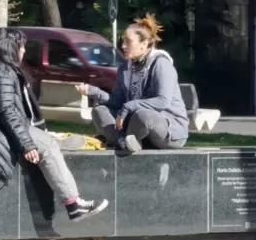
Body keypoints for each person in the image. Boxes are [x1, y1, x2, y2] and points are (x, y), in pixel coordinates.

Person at [0, 28, 109, 223]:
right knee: (48, 146)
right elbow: (6, 111)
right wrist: (26, 144)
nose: (24, 51)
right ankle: (74, 205)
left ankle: (58, 144)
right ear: (11, 47)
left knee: (48, 142)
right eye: (22, 46)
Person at [76, 14, 189, 152]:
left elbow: (163, 101)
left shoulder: (161, 65)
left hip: (168, 130)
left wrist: (130, 106)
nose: (123, 45)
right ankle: (123, 142)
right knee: (100, 111)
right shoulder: (125, 68)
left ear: (144, 44)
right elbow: (116, 103)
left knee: (142, 115)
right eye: (123, 41)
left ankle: (120, 140)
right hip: (136, 129)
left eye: (128, 41)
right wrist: (94, 92)